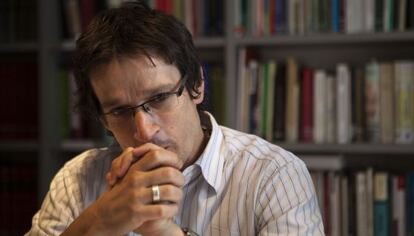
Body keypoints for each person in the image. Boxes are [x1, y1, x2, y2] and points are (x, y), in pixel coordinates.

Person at [26, 1, 324, 235]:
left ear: (196, 85)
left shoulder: (273, 176)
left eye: (159, 98)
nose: (144, 131)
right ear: (104, 120)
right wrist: (101, 221)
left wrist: (165, 233)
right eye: (119, 111)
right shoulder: (76, 179)